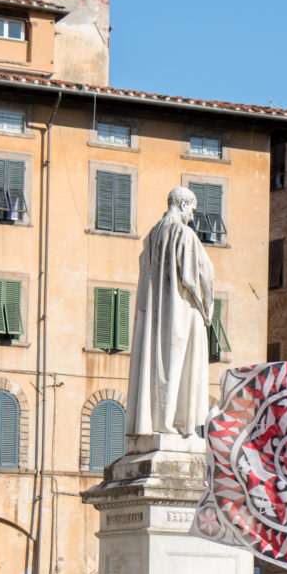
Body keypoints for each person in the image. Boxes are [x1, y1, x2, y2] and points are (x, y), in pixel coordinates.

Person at [127, 187, 214, 443]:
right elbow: (201, 274)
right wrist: (206, 307)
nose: (192, 216)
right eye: (192, 210)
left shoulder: (152, 236)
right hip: (180, 312)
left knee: (155, 365)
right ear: (183, 203)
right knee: (181, 363)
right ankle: (174, 424)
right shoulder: (184, 235)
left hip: (154, 316)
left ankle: (157, 422)